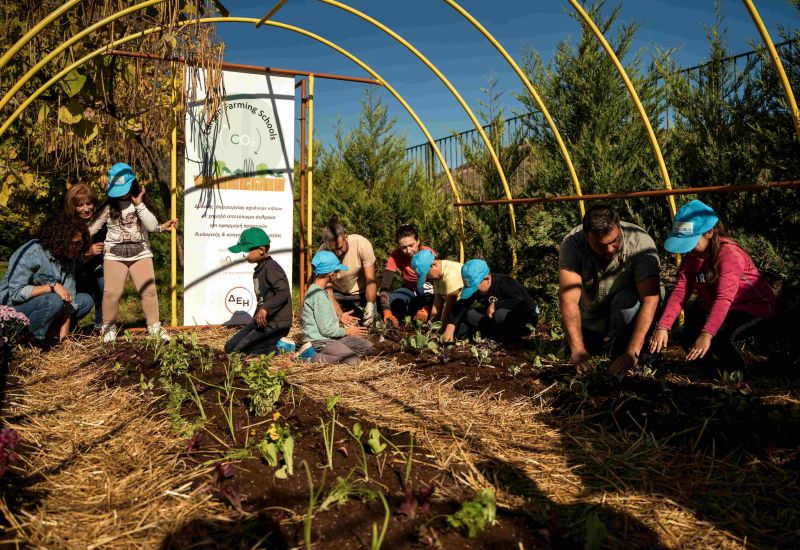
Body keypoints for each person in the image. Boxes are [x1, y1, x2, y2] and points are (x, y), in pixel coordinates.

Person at [648, 200, 775, 372]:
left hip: (751, 307)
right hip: (717, 307)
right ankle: (712, 373)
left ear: (709, 232)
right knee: (688, 336)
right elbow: (679, 293)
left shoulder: (729, 255)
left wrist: (707, 334)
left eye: (691, 241)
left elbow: (724, 298)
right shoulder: (692, 259)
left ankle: (737, 377)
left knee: (722, 337)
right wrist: (663, 326)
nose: (687, 249)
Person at [558, 205, 661, 376]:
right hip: (592, 315)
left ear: (619, 228)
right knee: (576, 351)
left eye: (614, 242)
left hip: (626, 315)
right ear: (587, 237)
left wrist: (632, 353)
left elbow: (650, 299)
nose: (609, 250)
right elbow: (568, 299)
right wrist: (577, 349)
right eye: (600, 245)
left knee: (626, 302)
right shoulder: (572, 243)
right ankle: (593, 343)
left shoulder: (640, 243)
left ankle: (623, 349)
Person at [88, 163, 178, 343]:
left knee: (149, 292)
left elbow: (151, 226)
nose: (121, 193)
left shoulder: (141, 204)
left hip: (141, 254)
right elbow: (91, 228)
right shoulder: (108, 207)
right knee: (112, 293)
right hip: (114, 255)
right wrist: (77, 239)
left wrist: (140, 205)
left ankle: (154, 327)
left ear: (133, 185)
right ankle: (108, 328)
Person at [0, 215, 94, 343]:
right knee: (54, 300)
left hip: (45, 305)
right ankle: (33, 338)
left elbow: (69, 297)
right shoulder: (32, 253)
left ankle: (52, 333)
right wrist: (51, 286)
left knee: (85, 300)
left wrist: (64, 338)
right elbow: (16, 293)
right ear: (60, 240)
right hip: (12, 309)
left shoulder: (70, 255)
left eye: (80, 243)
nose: (77, 247)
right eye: (74, 243)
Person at [223, 227, 293, 356]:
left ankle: (282, 348)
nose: (243, 254)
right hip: (262, 322)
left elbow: (283, 293)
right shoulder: (260, 269)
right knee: (229, 348)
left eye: (246, 250)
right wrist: (256, 318)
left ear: (261, 250)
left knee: (240, 352)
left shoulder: (271, 268)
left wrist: (266, 309)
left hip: (276, 324)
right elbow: (262, 300)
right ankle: (265, 343)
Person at [297, 251, 373, 364]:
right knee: (353, 361)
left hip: (329, 338)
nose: (338, 273)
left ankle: (336, 354)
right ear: (331, 272)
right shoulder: (319, 296)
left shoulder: (317, 291)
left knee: (367, 346)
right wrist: (347, 331)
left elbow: (322, 320)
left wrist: (339, 318)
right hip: (320, 341)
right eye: (337, 270)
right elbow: (327, 330)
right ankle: (310, 357)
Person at [443, 259, 538, 345]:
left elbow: (519, 300)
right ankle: (496, 337)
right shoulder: (480, 287)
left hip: (526, 319)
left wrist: (496, 304)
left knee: (500, 314)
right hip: (498, 321)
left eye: (475, 288)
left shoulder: (503, 282)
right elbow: (460, 306)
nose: (474, 291)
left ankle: (513, 341)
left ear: (487, 279)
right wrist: (450, 328)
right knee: (471, 314)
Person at [319, 215, 378, 326]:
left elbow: (371, 280)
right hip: (336, 293)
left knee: (372, 320)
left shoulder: (361, 244)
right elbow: (327, 290)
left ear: (346, 237)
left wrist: (370, 304)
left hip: (359, 293)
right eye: (333, 250)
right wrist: (341, 316)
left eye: (340, 247)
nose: (338, 253)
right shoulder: (323, 253)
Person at [64, 183, 105, 330]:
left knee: (103, 284)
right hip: (74, 272)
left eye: (89, 203)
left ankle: (101, 325)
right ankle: (69, 325)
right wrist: (88, 254)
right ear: (72, 206)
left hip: (98, 268)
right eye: (80, 205)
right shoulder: (67, 227)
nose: (86, 209)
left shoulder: (102, 223)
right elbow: (68, 260)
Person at [380, 224, 436, 327]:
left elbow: (437, 284)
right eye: (404, 247)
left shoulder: (428, 253)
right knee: (393, 299)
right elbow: (385, 285)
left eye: (411, 245)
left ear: (418, 241)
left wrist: (427, 307)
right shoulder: (396, 255)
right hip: (409, 290)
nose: (408, 251)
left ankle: (423, 313)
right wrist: (386, 311)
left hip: (428, 292)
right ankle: (398, 319)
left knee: (422, 288)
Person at [410, 249, 463, 327]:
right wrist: (431, 323)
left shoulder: (450, 274)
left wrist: (441, 329)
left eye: (427, 274)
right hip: (456, 309)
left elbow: (449, 307)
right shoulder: (437, 276)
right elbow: (437, 302)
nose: (428, 278)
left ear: (433, 265)